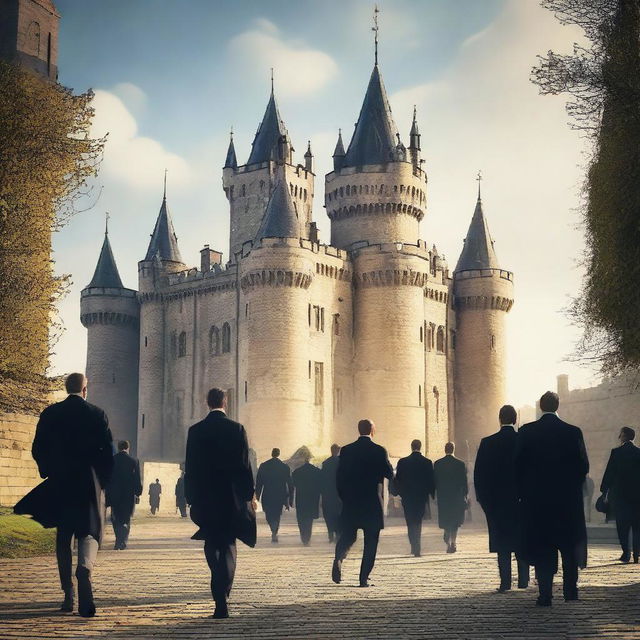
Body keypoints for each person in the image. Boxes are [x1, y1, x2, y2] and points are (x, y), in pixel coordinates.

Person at [17, 373, 113, 617]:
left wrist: (49, 470)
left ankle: (68, 592)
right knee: (89, 532)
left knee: (64, 536)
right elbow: (106, 452)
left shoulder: (51, 413)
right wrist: (102, 481)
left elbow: (38, 448)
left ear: (66, 387)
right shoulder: (96, 414)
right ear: (84, 389)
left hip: (61, 482)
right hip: (88, 483)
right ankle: (84, 568)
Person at [185, 388, 255, 619]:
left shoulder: (195, 431)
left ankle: (218, 584)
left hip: (205, 497)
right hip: (230, 497)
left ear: (207, 403)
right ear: (225, 402)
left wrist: (190, 496)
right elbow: (245, 466)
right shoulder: (237, 429)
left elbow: (191, 467)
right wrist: (249, 495)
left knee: (211, 539)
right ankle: (222, 592)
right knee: (228, 544)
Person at [516, 391, 589, 607]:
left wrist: (523, 495)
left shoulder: (527, 431)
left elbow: (518, 466)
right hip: (567, 502)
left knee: (543, 548)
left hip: (537, 502)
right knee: (568, 547)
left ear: (540, 406)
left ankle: (545, 594)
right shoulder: (573, 432)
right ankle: (570, 590)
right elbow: (583, 466)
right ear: (558, 406)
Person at [332, 419, 393, 587]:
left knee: (348, 536)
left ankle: (338, 558)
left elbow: (339, 477)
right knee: (371, 541)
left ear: (359, 430)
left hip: (351, 501)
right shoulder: (379, 450)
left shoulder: (346, 450)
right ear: (372, 430)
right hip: (372, 503)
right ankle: (363, 578)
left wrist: (343, 497)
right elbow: (389, 473)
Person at [474, 405, 529, 592]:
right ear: (515, 420)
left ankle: (505, 582)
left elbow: (479, 476)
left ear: (499, 419)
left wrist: (485, 503)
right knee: (521, 540)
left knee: (502, 544)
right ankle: (523, 580)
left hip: (496, 503)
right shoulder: (523, 440)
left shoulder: (488, 443)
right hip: (521, 501)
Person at [601, 426, 640, 563]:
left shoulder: (616, 452)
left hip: (621, 496)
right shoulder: (638, 452)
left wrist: (604, 490)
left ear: (624, 436)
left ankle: (626, 553)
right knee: (637, 526)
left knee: (622, 526)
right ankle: (636, 554)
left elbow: (609, 473)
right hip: (637, 497)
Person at [395, 439, 435, 557]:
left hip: (407, 497)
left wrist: (398, 492)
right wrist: (431, 493)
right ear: (420, 447)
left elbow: (398, 479)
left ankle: (413, 545)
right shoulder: (427, 462)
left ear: (411, 447)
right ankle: (417, 547)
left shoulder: (403, 462)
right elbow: (431, 480)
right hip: (421, 497)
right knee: (418, 521)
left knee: (410, 521)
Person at [106, 440, 142, 550]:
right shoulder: (134, 461)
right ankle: (122, 541)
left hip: (115, 494)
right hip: (128, 495)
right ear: (128, 448)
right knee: (126, 518)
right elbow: (137, 478)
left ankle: (118, 540)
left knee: (116, 518)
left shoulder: (112, 460)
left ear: (118, 447)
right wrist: (138, 492)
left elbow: (107, 478)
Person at [434, 442, 468, 553]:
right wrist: (466, 495)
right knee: (455, 521)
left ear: (445, 450)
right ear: (454, 449)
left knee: (445, 518)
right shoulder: (460, 464)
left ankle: (447, 536)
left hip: (443, 497)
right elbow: (464, 482)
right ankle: (453, 542)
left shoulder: (438, 464)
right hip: (456, 497)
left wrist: (434, 495)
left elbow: (435, 481)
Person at [255, 448, 293, 543]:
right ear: (278, 454)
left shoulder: (264, 466)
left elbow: (259, 482)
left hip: (267, 494)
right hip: (280, 494)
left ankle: (273, 529)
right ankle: (274, 530)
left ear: (272, 454)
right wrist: (289, 497)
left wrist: (257, 496)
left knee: (269, 514)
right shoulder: (284, 467)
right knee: (277, 514)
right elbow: (290, 483)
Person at [292, 453, 322, 545]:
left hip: (301, 498)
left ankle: (303, 537)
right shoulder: (316, 471)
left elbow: (293, 485)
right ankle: (307, 537)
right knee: (309, 520)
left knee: (301, 519)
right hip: (312, 498)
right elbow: (320, 485)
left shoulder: (297, 472)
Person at [321, 444, 342, 542]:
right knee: (339, 514)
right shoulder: (342, 462)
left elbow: (322, 480)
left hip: (328, 494)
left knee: (328, 514)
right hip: (339, 494)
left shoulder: (325, 463)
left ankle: (330, 532)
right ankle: (338, 532)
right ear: (338, 451)